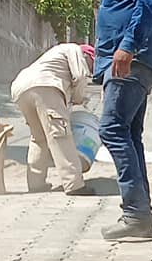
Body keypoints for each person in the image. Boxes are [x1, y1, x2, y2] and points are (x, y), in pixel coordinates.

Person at [76, 0, 152, 241]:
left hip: (131, 61)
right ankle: (140, 216)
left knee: (111, 129)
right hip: (130, 61)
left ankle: (136, 215)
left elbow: (147, 4)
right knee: (129, 133)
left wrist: (126, 46)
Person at [10, 41, 96, 194]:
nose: (91, 70)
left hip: (20, 88)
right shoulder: (75, 50)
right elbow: (80, 76)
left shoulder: (56, 56)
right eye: (92, 65)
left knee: (39, 138)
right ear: (88, 56)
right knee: (60, 135)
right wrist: (79, 98)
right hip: (44, 85)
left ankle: (36, 184)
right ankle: (74, 185)